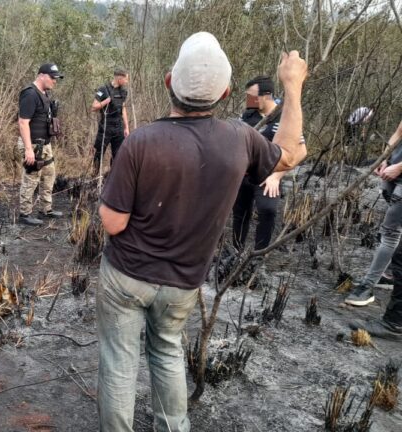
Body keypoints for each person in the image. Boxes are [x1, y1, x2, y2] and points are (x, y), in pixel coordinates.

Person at [96, 32, 308, 432]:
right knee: (167, 353)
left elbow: (113, 222)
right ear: (226, 91)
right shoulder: (240, 139)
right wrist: (293, 87)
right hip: (183, 284)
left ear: (168, 82)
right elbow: (292, 153)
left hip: (127, 278)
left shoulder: (141, 142)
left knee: (120, 364)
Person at [232, 76, 304, 252]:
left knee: (268, 211)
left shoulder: (285, 117)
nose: (248, 100)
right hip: (245, 174)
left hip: (269, 175)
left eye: (252, 96)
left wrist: (276, 176)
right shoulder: (246, 116)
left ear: (266, 95)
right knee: (240, 213)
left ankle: (258, 255)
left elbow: (301, 151)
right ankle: (236, 252)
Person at [345, 119, 402, 339]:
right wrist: (385, 158)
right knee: (393, 237)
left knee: (390, 233)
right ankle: (387, 276)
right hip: (393, 173)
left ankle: (367, 287)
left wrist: (399, 166)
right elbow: (398, 131)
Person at [15, 63, 64, 226]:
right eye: (52, 77)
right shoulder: (30, 94)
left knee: (49, 174)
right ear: (41, 75)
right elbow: (23, 122)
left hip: (45, 143)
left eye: (56, 78)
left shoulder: (44, 93)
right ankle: (25, 214)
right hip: (33, 144)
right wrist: (28, 149)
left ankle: (45, 209)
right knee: (31, 178)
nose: (54, 81)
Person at [92, 69, 130, 172]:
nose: (127, 81)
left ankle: (113, 176)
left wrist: (126, 127)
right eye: (126, 79)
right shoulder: (103, 89)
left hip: (118, 126)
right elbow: (94, 107)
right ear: (119, 78)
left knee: (118, 155)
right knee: (99, 152)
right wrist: (106, 101)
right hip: (105, 126)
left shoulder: (123, 91)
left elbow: (123, 108)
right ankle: (95, 175)